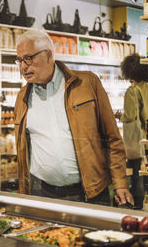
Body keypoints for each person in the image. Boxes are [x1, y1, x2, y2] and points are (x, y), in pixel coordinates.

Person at [14, 30, 132, 206]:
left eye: (28, 58)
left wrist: (120, 183)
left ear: (48, 55)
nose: (23, 66)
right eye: (19, 60)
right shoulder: (23, 97)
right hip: (43, 193)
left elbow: (113, 138)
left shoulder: (86, 84)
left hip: (90, 192)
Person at [115, 53, 148, 209]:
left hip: (138, 143)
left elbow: (130, 116)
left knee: (138, 177)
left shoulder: (132, 90)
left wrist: (118, 115)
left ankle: (139, 208)